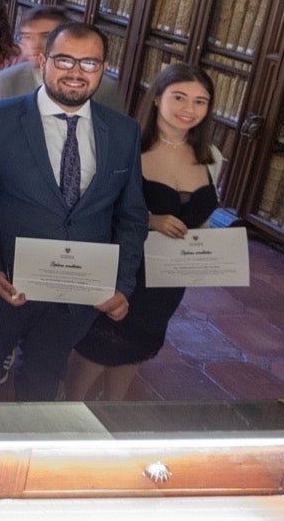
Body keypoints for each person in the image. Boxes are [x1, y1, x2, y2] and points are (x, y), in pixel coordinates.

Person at [0, 22, 149, 402]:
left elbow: (131, 215)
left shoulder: (123, 131)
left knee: (45, 377)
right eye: (64, 60)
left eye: (89, 63)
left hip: (75, 295)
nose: (76, 72)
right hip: (6, 284)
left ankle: (32, 450)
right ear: (44, 61)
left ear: (103, 68)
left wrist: (122, 284)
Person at [66, 64, 222, 402]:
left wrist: (208, 256)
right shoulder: (126, 145)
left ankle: (114, 420)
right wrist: (150, 219)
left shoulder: (212, 158)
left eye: (200, 101)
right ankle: (65, 424)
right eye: (179, 97)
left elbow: (203, 224)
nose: (188, 109)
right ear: (157, 98)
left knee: (137, 348)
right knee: (94, 354)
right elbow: (89, 210)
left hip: (166, 278)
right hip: (123, 268)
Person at [0, 4, 125, 112]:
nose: (34, 45)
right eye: (27, 37)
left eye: (45, 36)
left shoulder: (102, 86)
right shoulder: (7, 80)